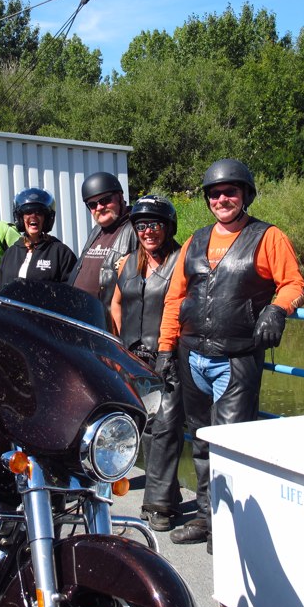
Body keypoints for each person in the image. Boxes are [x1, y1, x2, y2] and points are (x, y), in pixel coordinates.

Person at [157, 158, 304, 553]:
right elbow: (175, 297)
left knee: (230, 445)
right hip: (192, 355)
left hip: (236, 357)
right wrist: (165, 348)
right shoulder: (196, 239)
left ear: (245, 195)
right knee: (201, 441)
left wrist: (278, 308)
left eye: (230, 192)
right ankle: (207, 519)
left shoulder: (268, 237)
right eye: (215, 194)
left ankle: (230, 526)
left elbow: (293, 283)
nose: (222, 199)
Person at [110, 195, 185, 532]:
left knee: (166, 429)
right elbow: (117, 303)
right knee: (146, 427)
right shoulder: (128, 262)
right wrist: (120, 345)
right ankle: (167, 496)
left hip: (167, 357)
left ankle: (160, 505)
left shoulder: (181, 260)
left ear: (167, 227)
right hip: (134, 359)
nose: (147, 231)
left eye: (154, 224)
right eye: (141, 226)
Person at [69, 172, 138, 319]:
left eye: (105, 200)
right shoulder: (97, 230)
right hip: (83, 319)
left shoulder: (136, 228)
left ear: (120, 197)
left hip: (111, 322)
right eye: (92, 205)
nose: (99, 207)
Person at [0, 188, 77, 297]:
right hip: (10, 313)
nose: (33, 216)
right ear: (20, 218)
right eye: (28, 212)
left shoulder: (61, 253)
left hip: (43, 313)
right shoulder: (11, 253)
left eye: (39, 212)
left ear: (46, 218)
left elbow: (71, 293)